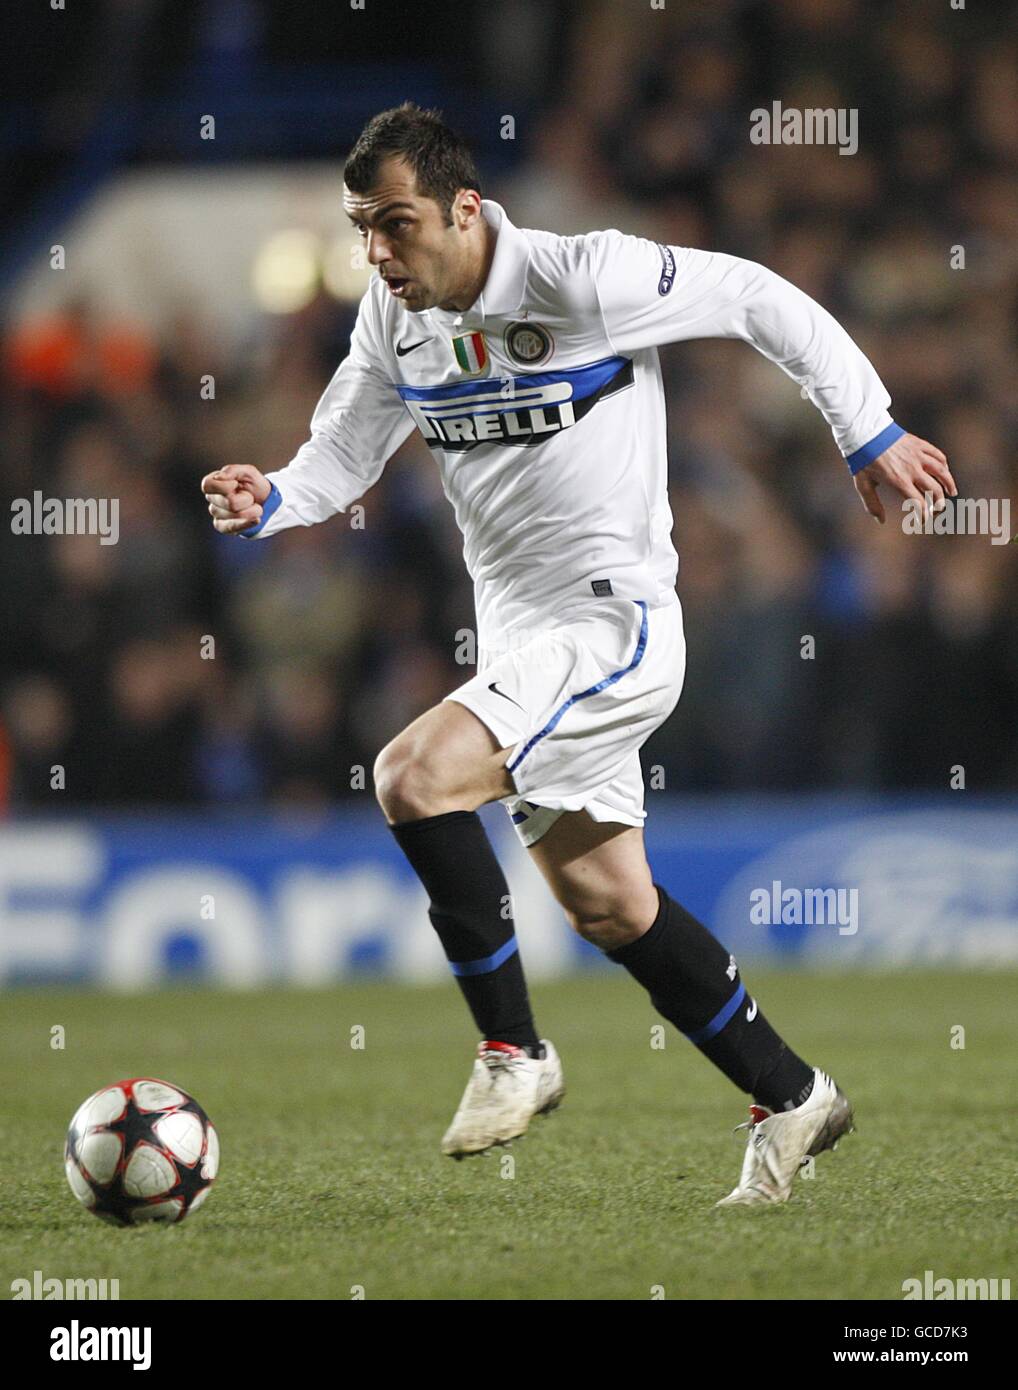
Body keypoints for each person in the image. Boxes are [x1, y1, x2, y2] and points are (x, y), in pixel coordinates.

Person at [202, 103, 956, 1205]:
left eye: (394, 223)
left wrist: (867, 428)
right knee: (609, 902)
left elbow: (756, 296)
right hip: (522, 646)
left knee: (411, 776)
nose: (375, 251)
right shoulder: (391, 317)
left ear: (465, 210)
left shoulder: (581, 276)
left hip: (614, 625)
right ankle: (792, 1094)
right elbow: (342, 455)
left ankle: (514, 1051)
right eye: (362, 226)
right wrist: (272, 497)